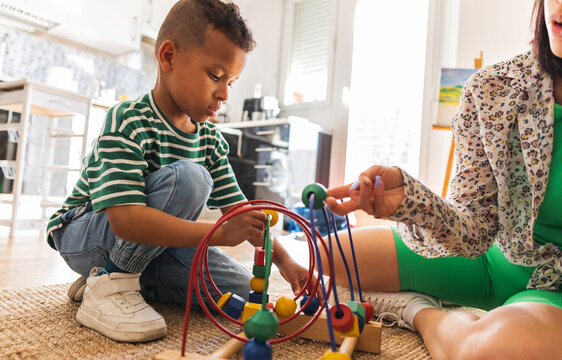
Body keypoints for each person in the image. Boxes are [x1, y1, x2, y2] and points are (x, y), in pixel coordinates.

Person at [46, 0, 310, 343]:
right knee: (190, 178)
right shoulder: (128, 119)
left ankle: (133, 280)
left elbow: (241, 212)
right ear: (168, 57)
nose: (224, 93)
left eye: (231, 81)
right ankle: (112, 283)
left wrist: (285, 261)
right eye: (216, 76)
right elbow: (125, 220)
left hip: (153, 245)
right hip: (85, 232)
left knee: (242, 291)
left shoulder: (210, 140)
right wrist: (217, 235)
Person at [323, 0, 562, 359]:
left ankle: (420, 313)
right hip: (490, 261)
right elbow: (476, 230)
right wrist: (411, 201)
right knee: (329, 257)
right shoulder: (493, 89)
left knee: (487, 351)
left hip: (553, 290)